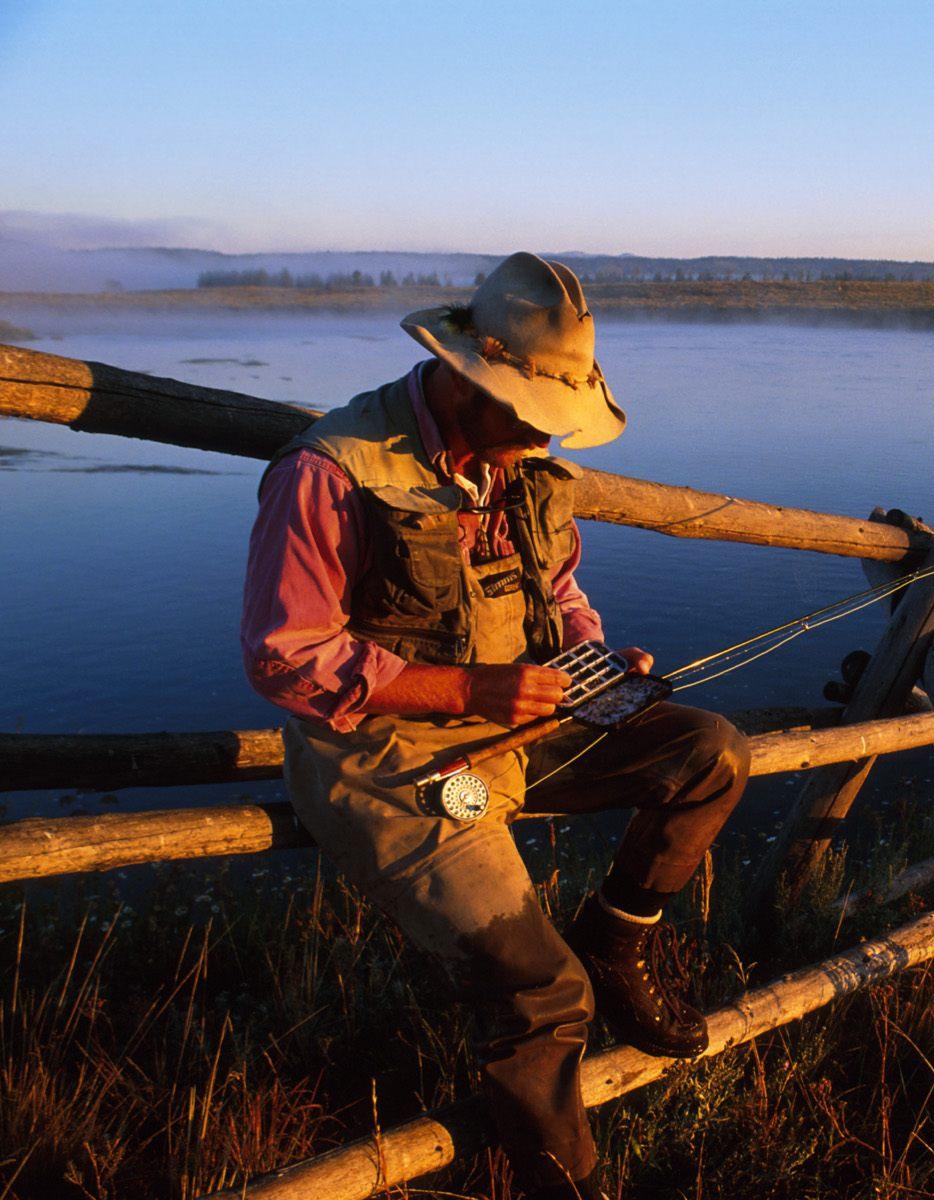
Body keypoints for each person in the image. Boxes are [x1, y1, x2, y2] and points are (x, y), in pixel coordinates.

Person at [241, 252, 750, 1199]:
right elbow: (284, 655)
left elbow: (560, 589)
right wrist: (465, 692)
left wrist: (595, 659)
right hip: (385, 752)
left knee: (710, 753)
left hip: (528, 709)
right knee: (542, 995)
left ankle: (616, 937)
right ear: (467, 372)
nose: (541, 438)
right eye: (529, 412)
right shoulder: (332, 468)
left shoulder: (526, 466)